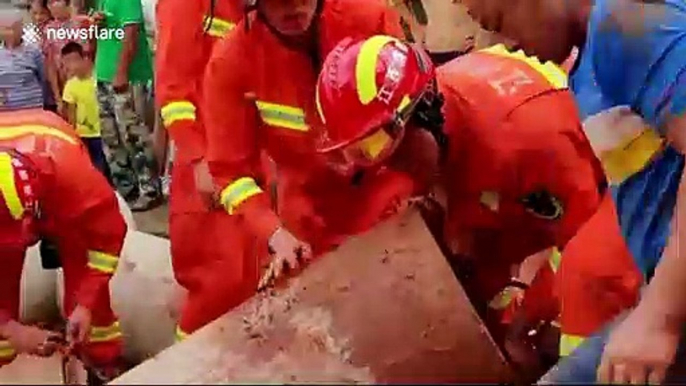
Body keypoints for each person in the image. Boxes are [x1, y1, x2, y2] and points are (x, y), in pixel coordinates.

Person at [312, 34, 642, 366]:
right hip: (509, 180)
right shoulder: (442, 114)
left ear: (426, 112)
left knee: (585, 292)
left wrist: (525, 323)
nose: (390, 171)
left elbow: (579, 247)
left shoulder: (525, 142)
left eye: (398, 157)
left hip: (612, 195)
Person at [459, 0, 686, 383]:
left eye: (501, 22)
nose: (505, 45)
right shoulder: (590, 61)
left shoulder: (625, 25)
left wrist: (659, 316)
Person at [203, 0, 417, 296]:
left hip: (384, 194)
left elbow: (414, 111)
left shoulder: (370, 17)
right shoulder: (233, 60)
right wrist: (274, 234)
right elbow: (229, 172)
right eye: (278, 2)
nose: (293, 8)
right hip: (307, 218)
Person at [0, 108, 126, 382]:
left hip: (57, 176)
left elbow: (107, 240)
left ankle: (101, 361)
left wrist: (86, 304)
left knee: (84, 273)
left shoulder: (75, 180)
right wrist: (11, 330)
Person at [154, 0, 252, 341]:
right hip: (208, 162)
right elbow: (174, 87)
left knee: (251, 275)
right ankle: (192, 369)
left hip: (247, 159)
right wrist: (198, 158)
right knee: (216, 280)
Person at [92, 0, 162, 211]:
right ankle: (126, 189)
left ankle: (150, 190)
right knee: (111, 137)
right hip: (104, 75)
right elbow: (109, 34)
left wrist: (121, 71)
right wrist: (96, 26)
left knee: (134, 135)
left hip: (128, 78)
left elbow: (131, 33)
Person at [61, 41, 112, 182]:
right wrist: (74, 133)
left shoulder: (98, 79)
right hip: (84, 134)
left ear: (85, 58)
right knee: (93, 166)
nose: (71, 66)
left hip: (102, 131)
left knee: (106, 162)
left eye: (74, 60)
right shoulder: (70, 85)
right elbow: (71, 111)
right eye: (67, 62)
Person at [43, 0, 93, 114]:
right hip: (62, 83)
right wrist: (58, 98)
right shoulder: (48, 30)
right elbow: (50, 65)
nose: (54, 5)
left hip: (83, 82)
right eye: (50, 2)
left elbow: (88, 56)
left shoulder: (81, 24)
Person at [0, 10, 47, 112]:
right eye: (7, 29)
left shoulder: (34, 51)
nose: (11, 33)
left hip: (32, 107)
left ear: (21, 30)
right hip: (6, 111)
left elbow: (43, 79)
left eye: (14, 28)